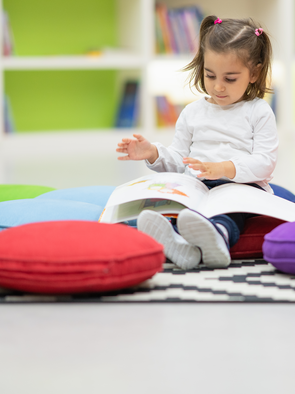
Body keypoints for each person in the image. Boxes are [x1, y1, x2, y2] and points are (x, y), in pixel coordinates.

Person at [115, 16, 277, 270]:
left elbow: (265, 163)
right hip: (197, 185)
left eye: (230, 78)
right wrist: (153, 153)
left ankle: (218, 238)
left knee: (228, 208)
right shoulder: (193, 112)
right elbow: (180, 159)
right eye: (210, 75)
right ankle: (180, 243)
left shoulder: (259, 111)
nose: (218, 86)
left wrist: (223, 169)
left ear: (254, 73)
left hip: (240, 185)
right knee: (179, 205)